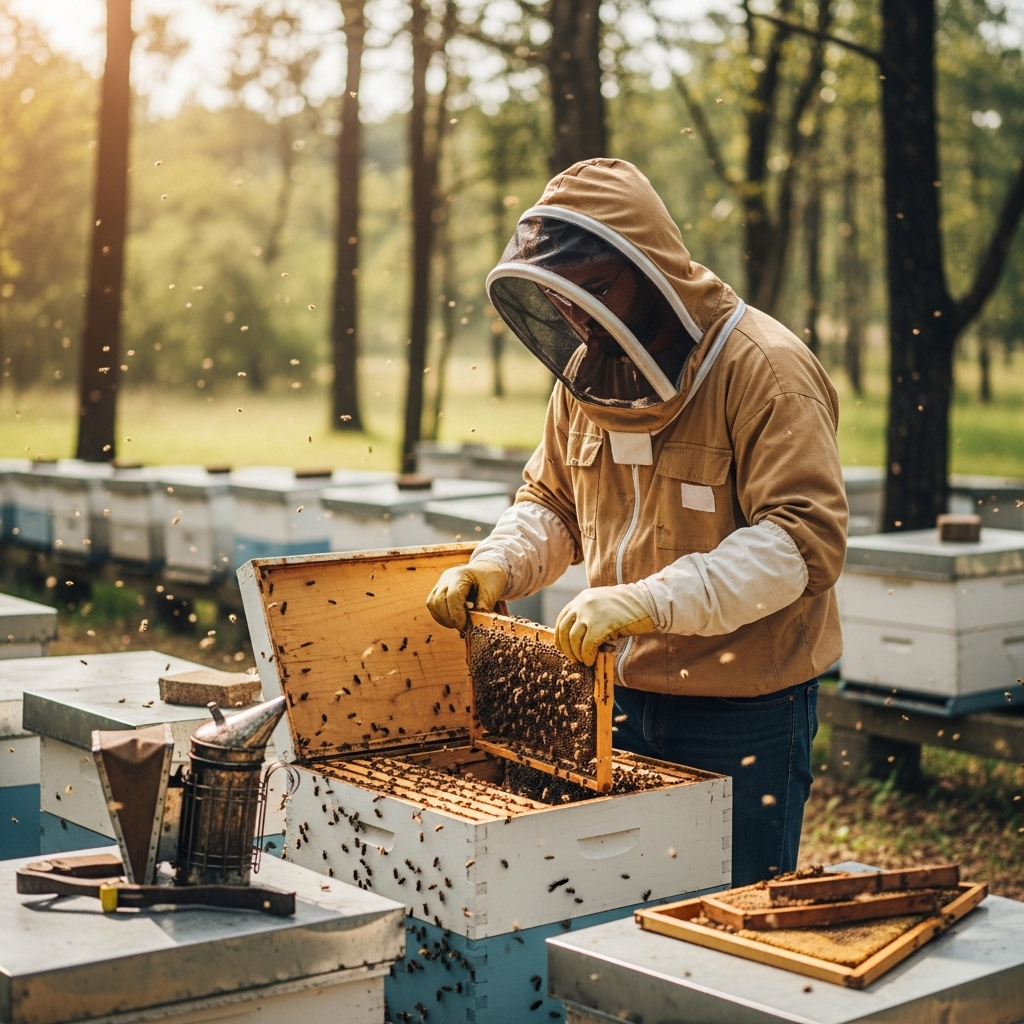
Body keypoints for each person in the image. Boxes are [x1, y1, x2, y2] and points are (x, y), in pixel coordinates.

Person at [426, 158, 847, 886]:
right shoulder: (589, 377)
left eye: (598, 290)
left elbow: (802, 545)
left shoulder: (765, 370)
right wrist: (496, 563)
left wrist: (649, 601)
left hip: (743, 710)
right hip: (615, 692)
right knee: (624, 911)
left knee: (736, 911)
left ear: (650, 270)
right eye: (567, 297)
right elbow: (553, 503)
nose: (581, 317)